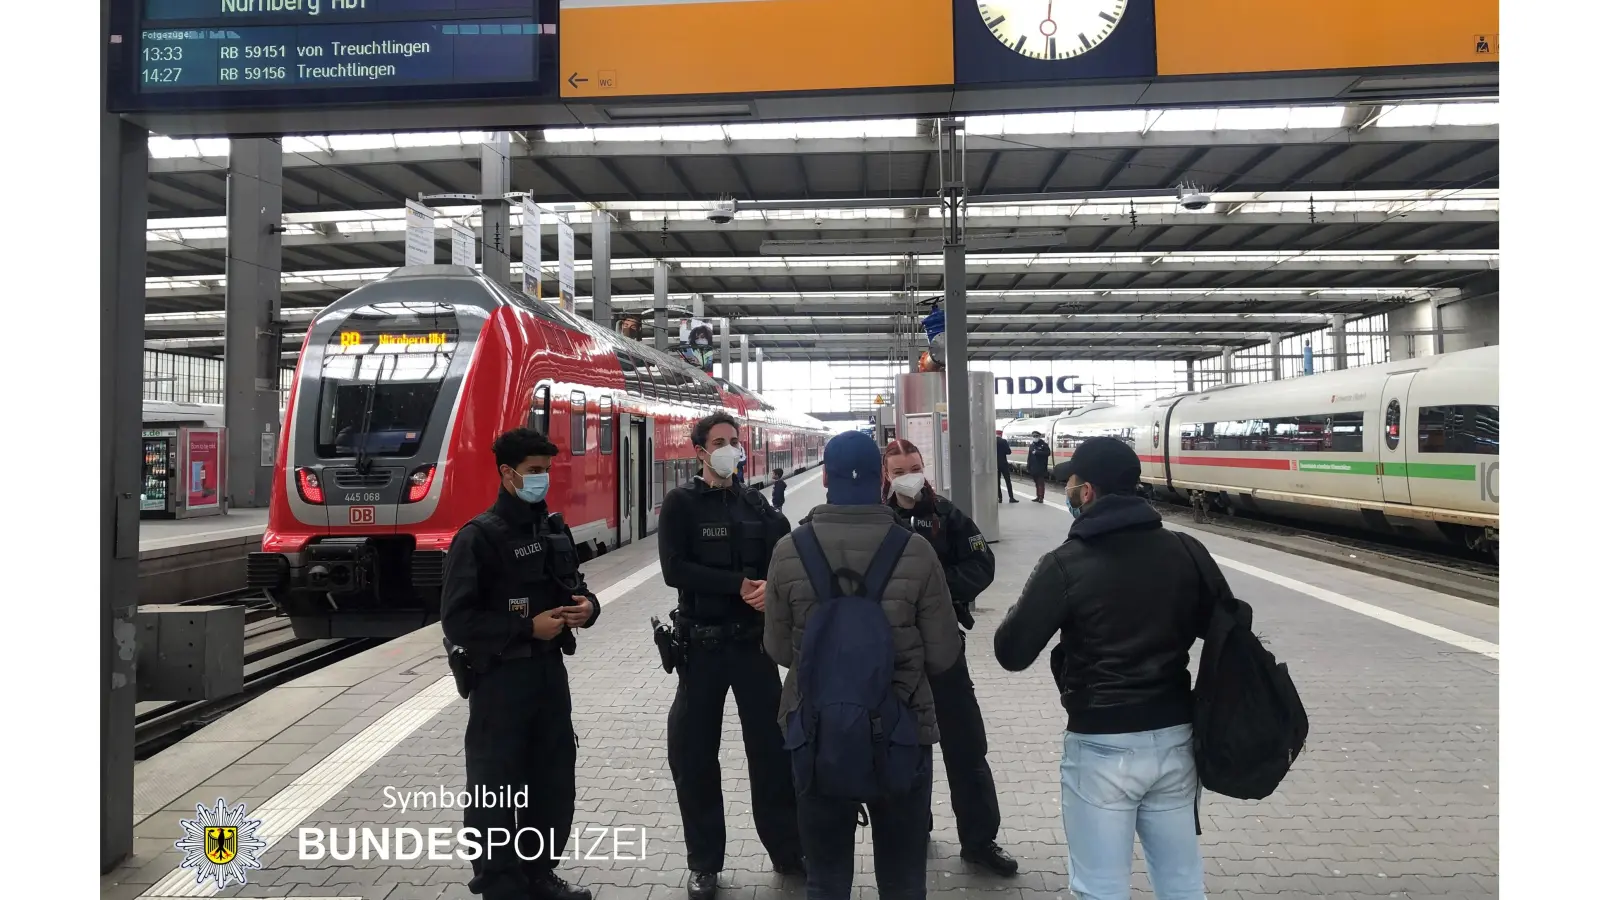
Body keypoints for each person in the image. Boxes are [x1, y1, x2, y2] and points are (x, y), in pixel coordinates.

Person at [993, 437, 1215, 900]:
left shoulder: (1066, 564)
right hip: (1176, 739)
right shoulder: (1186, 550)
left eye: (1071, 481)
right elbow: (1222, 626)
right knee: (1182, 883)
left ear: (1087, 492)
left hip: (1102, 746)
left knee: (1100, 888)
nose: (1067, 488)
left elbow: (1011, 652)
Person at [764, 431, 963, 900]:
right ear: (881, 480)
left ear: (826, 478)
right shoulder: (915, 550)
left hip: (816, 731)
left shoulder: (790, 550)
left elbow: (776, 649)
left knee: (826, 878)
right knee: (902, 878)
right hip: (901, 729)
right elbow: (943, 654)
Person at [439, 428, 599, 900]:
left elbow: (576, 588)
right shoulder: (478, 538)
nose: (542, 480)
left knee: (553, 781)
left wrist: (588, 608)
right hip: (501, 681)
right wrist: (527, 628)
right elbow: (459, 621)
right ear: (507, 473)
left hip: (550, 677)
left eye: (546, 471)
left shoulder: (552, 529)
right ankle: (498, 884)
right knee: (495, 789)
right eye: (533, 472)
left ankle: (538, 874)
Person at [657, 412, 804, 899]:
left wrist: (772, 589)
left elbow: (788, 551)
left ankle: (788, 851)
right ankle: (704, 862)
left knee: (772, 752)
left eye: (734, 442)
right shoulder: (681, 504)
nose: (730, 449)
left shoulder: (756, 504)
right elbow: (674, 569)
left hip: (753, 647)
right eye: (719, 442)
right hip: (701, 648)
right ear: (699, 451)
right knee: (695, 755)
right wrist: (737, 585)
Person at [880, 439, 1016, 876]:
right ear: (886, 474)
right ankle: (912, 830)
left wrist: (935, 594)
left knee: (966, 745)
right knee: (903, 747)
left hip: (943, 650)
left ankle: (980, 840)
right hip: (894, 658)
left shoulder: (947, 515)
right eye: (900, 469)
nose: (909, 475)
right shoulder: (876, 520)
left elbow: (983, 564)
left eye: (915, 467)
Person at [1026, 431, 1051, 503]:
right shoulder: (1032, 445)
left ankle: (1041, 497)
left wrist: (1037, 452)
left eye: (1036, 436)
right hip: (1033, 467)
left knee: (1040, 483)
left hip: (1041, 467)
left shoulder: (1044, 445)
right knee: (1036, 483)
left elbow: (1048, 453)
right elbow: (1029, 457)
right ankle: (1038, 496)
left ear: (1039, 437)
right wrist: (1028, 466)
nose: (1035, 437)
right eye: (1034, 436)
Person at [996, 433, 1018, 503]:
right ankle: (1011, 498)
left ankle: (1000, 498)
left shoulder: (992, 442)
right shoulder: (1003, 441)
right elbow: (1008, 452)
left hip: (995, 464)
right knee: (1008, 481)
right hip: (1003, 464)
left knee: (997, 482)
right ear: (1001, 434)